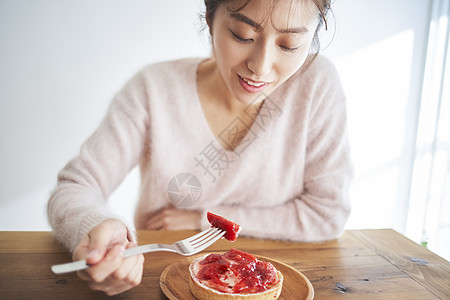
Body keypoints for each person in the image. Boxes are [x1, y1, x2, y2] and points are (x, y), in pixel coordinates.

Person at [47, 0, 353, 295]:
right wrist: (98, 228)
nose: (260, 68)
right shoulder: (154, 89)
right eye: (242, 35)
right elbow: (76, 185)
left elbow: (326, 214)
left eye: (288, 45)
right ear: (210, 18)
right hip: (162, 279)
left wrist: (205, 219)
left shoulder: (316, 85)